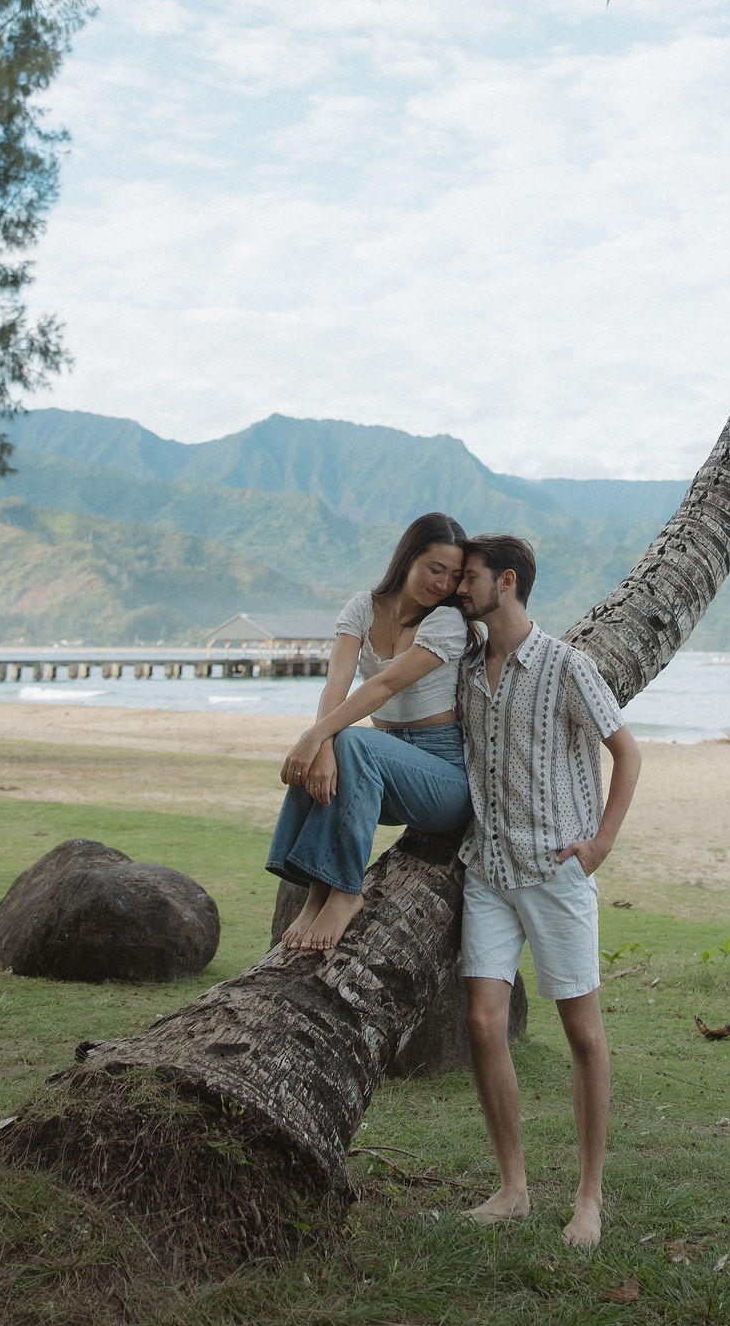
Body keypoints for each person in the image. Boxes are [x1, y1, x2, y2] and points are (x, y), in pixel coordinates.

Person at [454, 535, 642, 1249]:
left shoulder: (567, 665)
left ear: (506, 582)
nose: (460, 589)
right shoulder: (468, 666)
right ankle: (512, 1188)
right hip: (488, 871)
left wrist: (599, 844)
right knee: (481, 1022)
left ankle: (589, 1199)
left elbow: (626, 751)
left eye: (469, 578)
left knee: (583, 1034)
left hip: (555, 873)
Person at [267, 512, 476, 952]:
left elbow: (383, 686)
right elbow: (336, 684)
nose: (442, 584)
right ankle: (315, 891)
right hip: (379, 769)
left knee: (349, 741)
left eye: (453, 576)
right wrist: (322, 745)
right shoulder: (363, 607)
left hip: (443, 779)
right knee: (342, 741)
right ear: (407, 558)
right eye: (434, 568)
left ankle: (345, 892)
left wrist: (313, 737)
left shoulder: (446, 622)